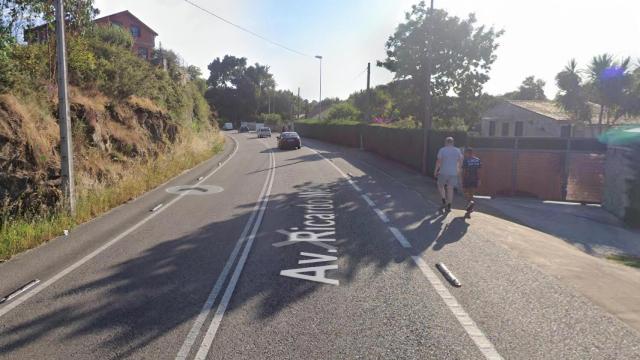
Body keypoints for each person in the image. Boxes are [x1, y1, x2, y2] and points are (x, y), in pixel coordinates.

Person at [434, 137, 462, 213]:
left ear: (446, 142)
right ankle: (449, 205)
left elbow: (438, 161)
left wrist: (436, 170)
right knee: (450, 189)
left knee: (440, 186)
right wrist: (459, 170)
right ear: (453, 142)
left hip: (443, 172)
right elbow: (460, 161)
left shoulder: (442, 150)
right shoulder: (457, 150)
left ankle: (443, 200)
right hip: (453, 173)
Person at [461, 147, 482, 218]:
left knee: (465, 192)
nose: (464, 154)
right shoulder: (477, 160)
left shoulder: (466, 160)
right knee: (472, 194)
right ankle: (470, 209)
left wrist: (462, 179)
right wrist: (479, 180)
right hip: (475, 179)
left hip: (467, 179)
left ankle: (470, 203)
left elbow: (464, 171)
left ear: (467, 153)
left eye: (465, 153)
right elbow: (479, 171)